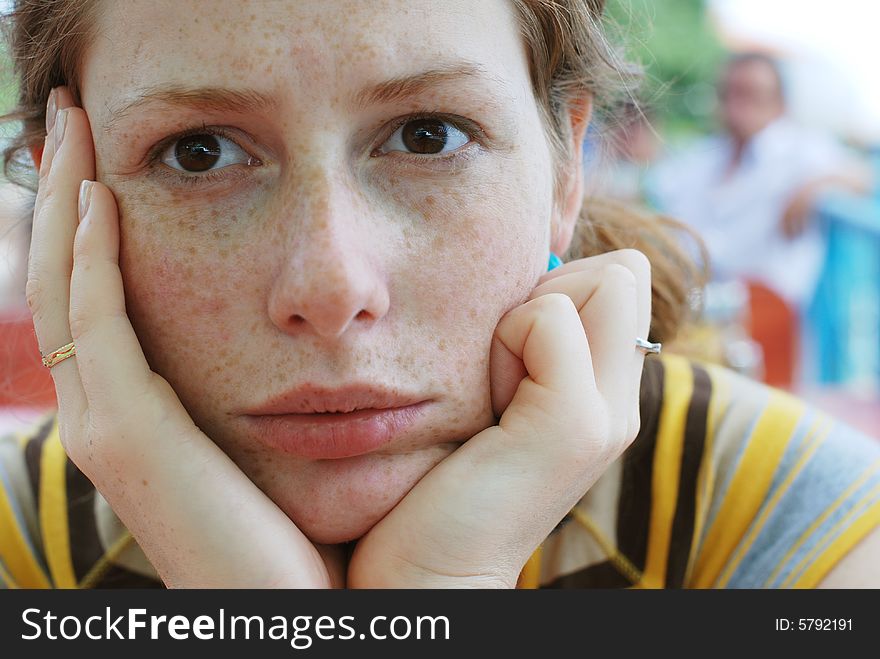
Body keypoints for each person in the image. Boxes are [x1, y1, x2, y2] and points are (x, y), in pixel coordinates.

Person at [0, 0, 877, 589]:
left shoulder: (783, 514)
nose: (332, 286)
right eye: (198, 152)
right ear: (68, 191)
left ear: (566, 167)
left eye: (429, 135)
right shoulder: (19, 543)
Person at [648, 53, 871, 312]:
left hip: (765, 309)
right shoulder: (706, 154)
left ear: (778, 102)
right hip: (701, 298)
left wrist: (814, 187)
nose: (736, 103)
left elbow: (862, 176)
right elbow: (658, 189)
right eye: (729, 92)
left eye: (750, 94)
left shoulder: (798, 148)